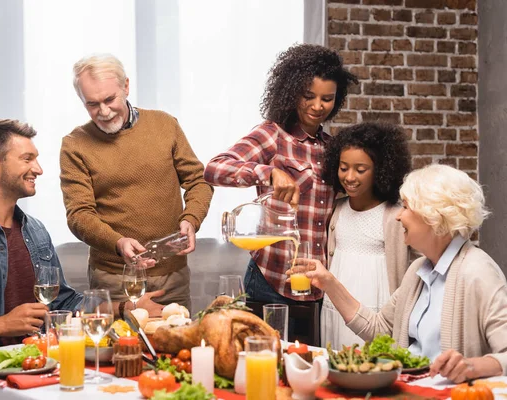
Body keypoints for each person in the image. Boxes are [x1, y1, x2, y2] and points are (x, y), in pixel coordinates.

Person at [0, 119, 163, 358]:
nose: (38, 170)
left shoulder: (36, 231)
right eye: (27, 159)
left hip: (36, 368)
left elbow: (64, 302)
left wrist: (125, 308)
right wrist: (1, 325)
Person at [289, 164, 507, 383]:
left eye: (406, 207)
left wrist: (471, 366)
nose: (398, 217)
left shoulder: (478, 272)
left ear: (434, 215)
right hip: (409, 390)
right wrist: (328, 283)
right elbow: (379, 329)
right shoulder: (419, 270)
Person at [204, 44, 358, 312]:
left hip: (315, 286)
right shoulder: (273, 135)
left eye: (327, 98)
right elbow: (215, 169)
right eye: (308, 96)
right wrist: (268, 172)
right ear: (292, 91)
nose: (317, 106)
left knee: (310, 355)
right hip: (270, 281)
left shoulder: (332, 147)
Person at [60, 54, 213, 310]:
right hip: (114, 279)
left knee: (176, 348)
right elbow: (78, 215)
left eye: (110, 99)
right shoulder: (74, 144)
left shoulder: (165, 124)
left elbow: (199, 180)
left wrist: (192, 218)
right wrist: (117, 243)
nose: (104, 112)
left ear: (126, 86)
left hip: (172, 275)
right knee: (117, 350)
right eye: (92, 104)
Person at [321, 122, 411, 349]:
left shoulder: (396, 215)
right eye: (343, 168)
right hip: (335, 306)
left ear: (381, 169)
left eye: (360, 170)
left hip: (377, 307)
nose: (350, 177)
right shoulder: (337, 209)